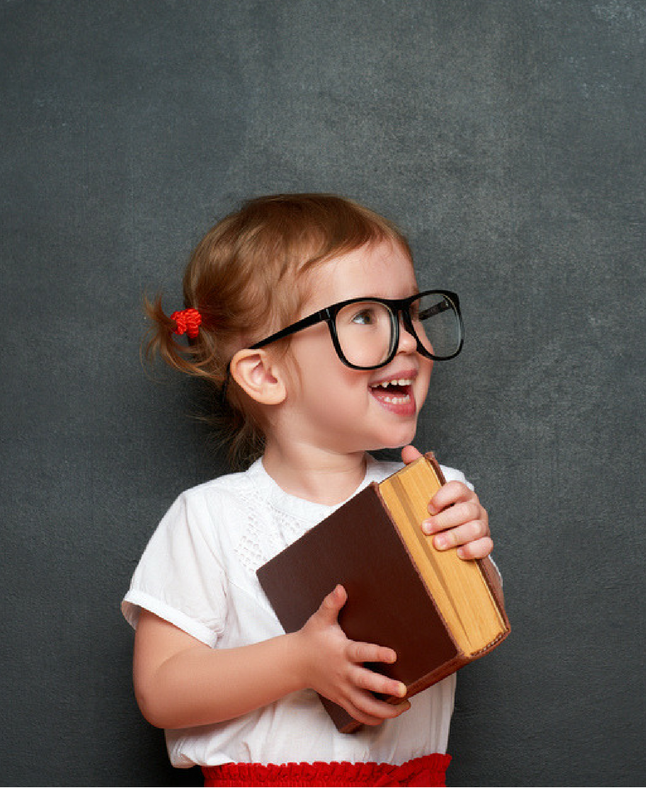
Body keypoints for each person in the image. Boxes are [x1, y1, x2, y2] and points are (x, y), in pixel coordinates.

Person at [122, 194, 497, 787]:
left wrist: (474, 553)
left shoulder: (433, 491)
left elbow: (476, 620)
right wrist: (298, 662)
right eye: (365, 317)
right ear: (265, 374)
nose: (407, 340)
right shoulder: (210, 518)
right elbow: (162, 690)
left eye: (411, 311)